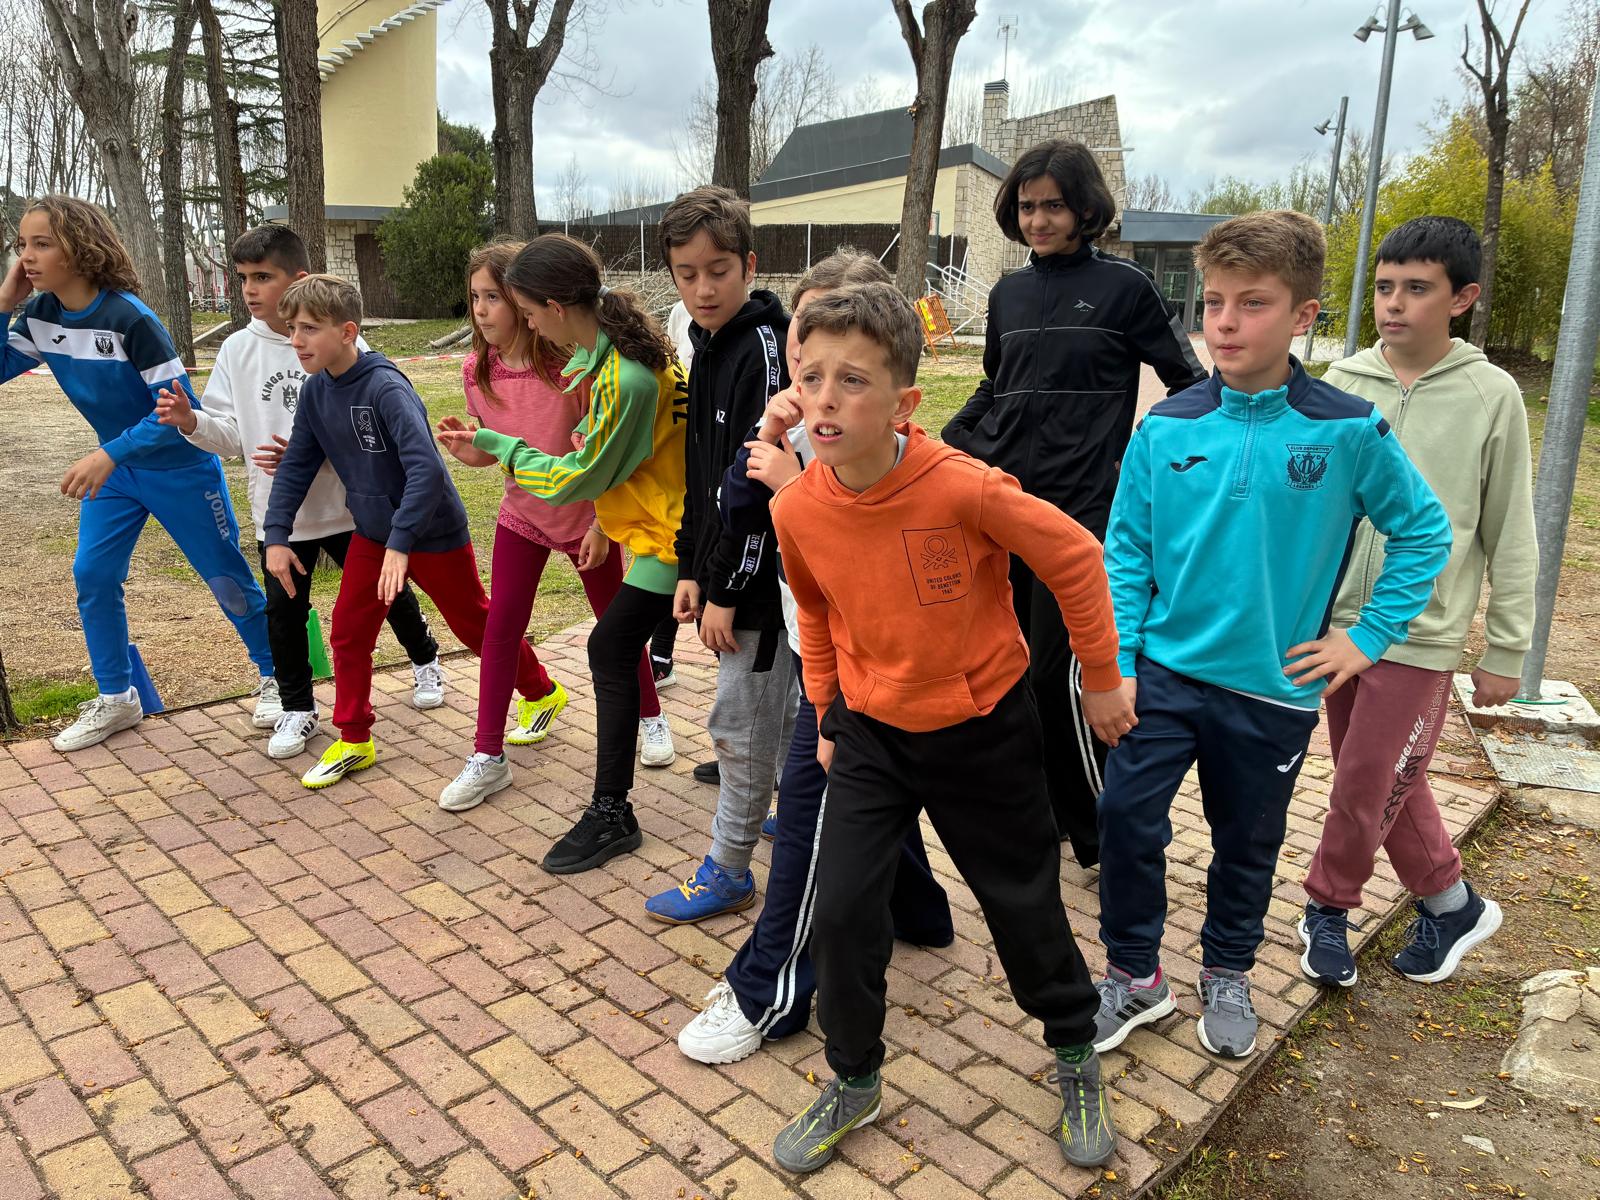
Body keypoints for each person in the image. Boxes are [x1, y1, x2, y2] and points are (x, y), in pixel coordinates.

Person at [769, 282, 1133, 1173]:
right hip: (870, 734)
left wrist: (1099, 679)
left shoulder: (963, 486)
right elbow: (815, 611)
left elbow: (1077, 557)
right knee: (843, 910)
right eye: (811, 377)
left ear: (903, 403)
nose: (825, 399)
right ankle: (854, 1075)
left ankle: (1075, 1048)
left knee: (1022, 904)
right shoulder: (796, 507)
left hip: (982, 730)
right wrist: (827, 712)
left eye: (852, 380)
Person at [1091, 210, 1453, 1062]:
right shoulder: (1167, 425)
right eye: (1214, 302)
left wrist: (1366, 638)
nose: (1224, 322)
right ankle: (1135, 975)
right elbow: (1127, 552)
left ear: (1302, 316)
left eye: (1252, 303)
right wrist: (1119, 662)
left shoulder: (1348, 430)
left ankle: (1228, 971)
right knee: (1126, 819)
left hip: (1272, 689)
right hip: (1163, 674)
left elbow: (1424, 533)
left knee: (1246, 844)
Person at [676, 252, 954, 1066]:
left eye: (844, 348)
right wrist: (767, 439)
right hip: (818, 656)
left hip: (873, 678)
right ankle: (921, 911)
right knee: (856, 806)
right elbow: (736, 512)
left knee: (802, 825)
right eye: (806, 334)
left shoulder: (874, 441)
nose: (816, 361)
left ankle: (769, 989)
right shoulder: (793, 421)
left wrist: (794, 478)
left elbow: (871, 546)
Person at [940, 140, 1207, 868]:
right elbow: (997, 385)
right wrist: (953, 441)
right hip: (1004, 512)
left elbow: (1188, 382)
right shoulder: (1008, 294)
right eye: (1027, 207)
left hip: (1082, 515)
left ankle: (1111, 837)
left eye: (1053, 205)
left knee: (1066, 680)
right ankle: (1055, 813)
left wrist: (1151, 460)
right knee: (1017, 674)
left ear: (1086, 208)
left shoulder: (1125, 288)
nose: (1038, 220)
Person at [1301, 217, 1532, 988]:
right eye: (1384, 287)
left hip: (1419, 631)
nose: (1393, 304)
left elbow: (1509, 528)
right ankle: (1452, 903)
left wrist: (1506, 648)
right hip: (1338, 627)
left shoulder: (1492, 395)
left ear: (1462, 298)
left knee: (1366, 781)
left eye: (1417, 289)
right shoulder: (1342, 381)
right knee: (1380, 773)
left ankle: (1327, 906)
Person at [437, 235, 687, 872]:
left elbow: (584, 474)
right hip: (587, 520)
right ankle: (514, 764)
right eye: (481, 299)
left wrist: (505, 448)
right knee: (586, 642)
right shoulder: (601, 358)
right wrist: (485, 448)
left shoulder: (616, 374)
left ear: (548, 307)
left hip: (652, 531)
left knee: (616, 644)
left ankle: (633, 787)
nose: (501, 314)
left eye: (514, 304)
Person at [155, 224, 443, 759]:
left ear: (299, 279)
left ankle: (425, 658)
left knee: (389, 594)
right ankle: (297, 708)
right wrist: (192, 422)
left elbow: (371, 428)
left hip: (348, 510)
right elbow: (233, 437)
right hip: (279, 517)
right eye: (243, 277)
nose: (250, 289)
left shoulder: (341, 340)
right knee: (284, 613)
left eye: (263, 277)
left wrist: (314, 454)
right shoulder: (236, 350)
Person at [0, 195, 274, 752]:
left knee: (227, 579)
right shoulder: (40, 316)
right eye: (22, 245)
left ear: (80, 247)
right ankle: (118, 697)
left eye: (41, 244)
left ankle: (280, 677)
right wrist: (5, 302)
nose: (27, 257)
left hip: (179, 469)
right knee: (93, 576)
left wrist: (109, 455)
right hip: (119, 474)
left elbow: (175, 411)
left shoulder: (131, 318)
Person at [261, 274, 545, 789]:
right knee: (348, 631)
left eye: (309, 328)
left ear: (347, 332)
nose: (296, 340)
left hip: (432, 532)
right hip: (374, 534)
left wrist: (401, 543)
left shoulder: (386, 387)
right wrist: (277, 535)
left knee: (475, 626)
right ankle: (354, 739)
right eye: (291, 329)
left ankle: (541, 691)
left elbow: (427, 471)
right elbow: (298, 464)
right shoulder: (316, 391)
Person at [652, 185, 797, 924]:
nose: (703, 288)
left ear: (749, 264)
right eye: (687, 274)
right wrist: (689, 566)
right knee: (778, 717)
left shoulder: (766, 351)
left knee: (739, 728)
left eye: (718, 271)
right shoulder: (705, 343)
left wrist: (728, 592)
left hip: (763, 589)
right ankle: (792, 814)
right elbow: (700, 472)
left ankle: (730, 869)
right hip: (724, 575)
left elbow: (758, 490)